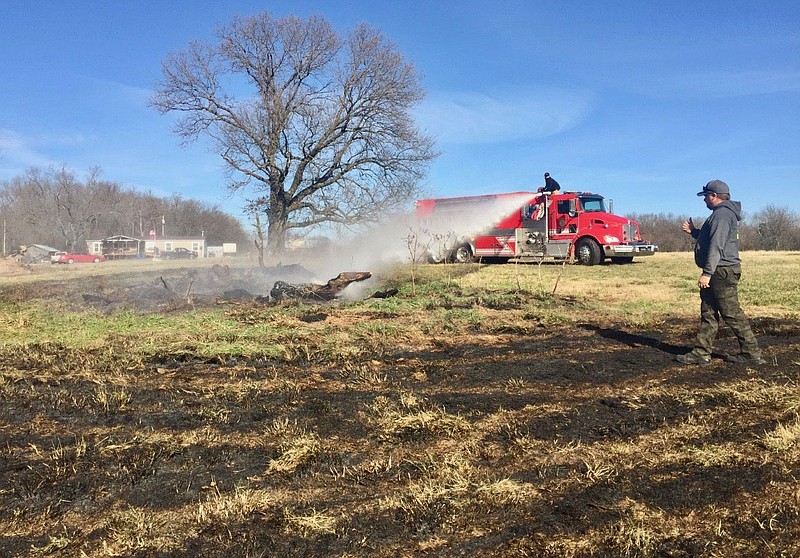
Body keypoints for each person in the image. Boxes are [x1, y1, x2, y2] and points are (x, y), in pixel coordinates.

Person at [674, 180, 766, 366]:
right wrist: (694, 232)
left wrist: (707, 273)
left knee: (731, 313)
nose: (704, 200)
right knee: (708, 311)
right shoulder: (721, 214)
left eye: (706, 196)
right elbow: (711, 238)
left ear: (714, 196)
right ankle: (701, 352)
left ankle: (751, 352)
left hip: (721, 271)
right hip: (719, 270)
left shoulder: (722, 215)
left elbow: (717, 245)